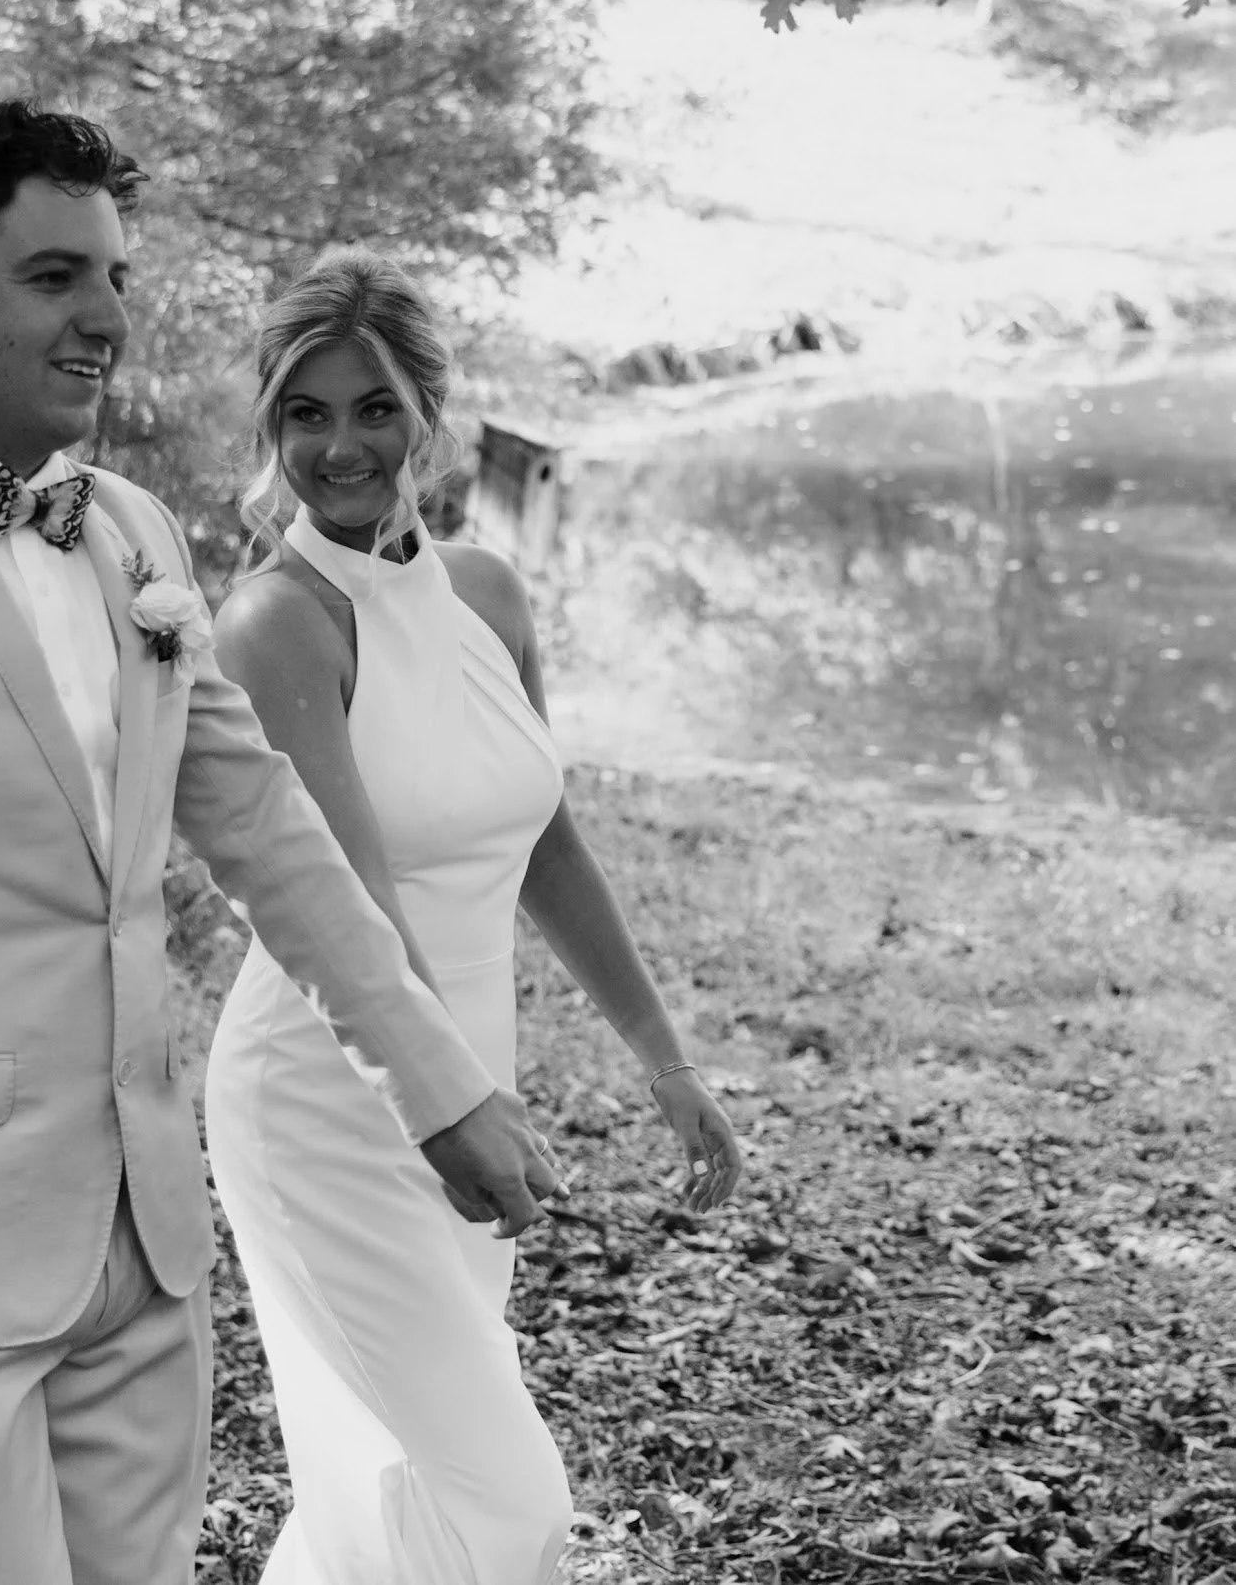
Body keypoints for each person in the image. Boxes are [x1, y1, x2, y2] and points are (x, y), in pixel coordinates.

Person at [0, 97, 572, 1585]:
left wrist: (435, 1080)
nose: (106, 317)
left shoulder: (128, 533)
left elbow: (264, 830)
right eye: (55, 277)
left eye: (114, 276)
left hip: (144, 1258)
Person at [204, 250, 746, 1585]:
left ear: (429, 414)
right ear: (271, 429)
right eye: (306, 413)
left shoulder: (488, 591)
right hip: (329, 1098)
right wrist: (448, 1101)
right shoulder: (277, 624)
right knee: (505, 1501)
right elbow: (355, 901)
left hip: (469, 1066)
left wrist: (664, 1063)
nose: (342, 446)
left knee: (391, 1483)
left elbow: (543, 837)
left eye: (373, 408)